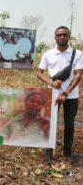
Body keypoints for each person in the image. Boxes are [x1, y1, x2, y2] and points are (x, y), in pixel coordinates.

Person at [37, 26, 83, 163]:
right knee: (50, 124)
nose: (62, 37)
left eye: (65, 34)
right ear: (55, 37)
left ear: (69, 36)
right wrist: (51, 83)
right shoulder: (48, 54)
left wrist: (65, 93)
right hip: (52, 95)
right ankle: (48, 155)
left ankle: (67, 154)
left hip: (71, 96)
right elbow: (39, 73)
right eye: (59, 35)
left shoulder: (78, 54)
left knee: (69, 125)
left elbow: (78, 75)